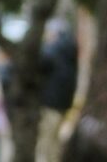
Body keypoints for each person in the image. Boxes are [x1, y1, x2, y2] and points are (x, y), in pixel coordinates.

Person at [36, 18, 78, 162]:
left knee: (47, 142)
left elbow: (39, 65)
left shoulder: (52, 49)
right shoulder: (70, 49)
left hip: (50, 101)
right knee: (55, 141)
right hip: (64, 102)